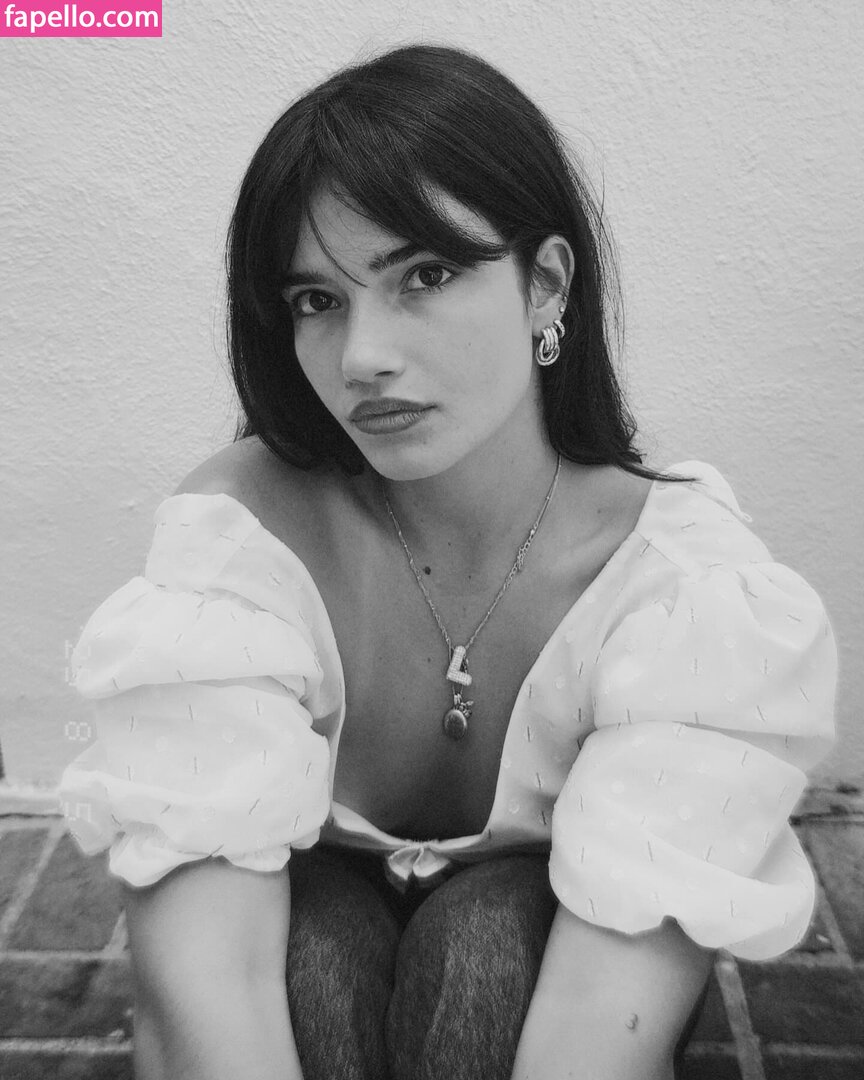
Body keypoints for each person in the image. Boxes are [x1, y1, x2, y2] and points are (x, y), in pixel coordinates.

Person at [60, 44, 837, 1080]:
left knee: (484, 953)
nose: (362, 357)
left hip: (541, 958)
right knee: (312, 964)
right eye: (316, 299)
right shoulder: (245, 538)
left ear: (545, 284)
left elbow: (602, 1027)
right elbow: (208, 996)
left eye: (424, 276)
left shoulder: (680, 591)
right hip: (309, 923)